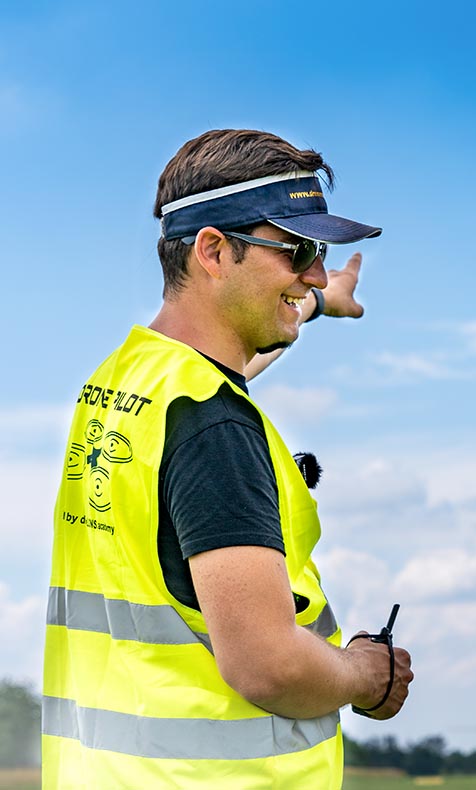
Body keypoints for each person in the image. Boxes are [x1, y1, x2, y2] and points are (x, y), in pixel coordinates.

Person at [43, 129, 413, 788]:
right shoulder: (215, 428)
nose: (316, 273)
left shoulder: (129, 380)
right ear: (214, 251)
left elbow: (230, 363)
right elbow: (266, 664)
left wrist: (318, 307)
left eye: (320, 253)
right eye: (296, 250)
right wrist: (362, 675)